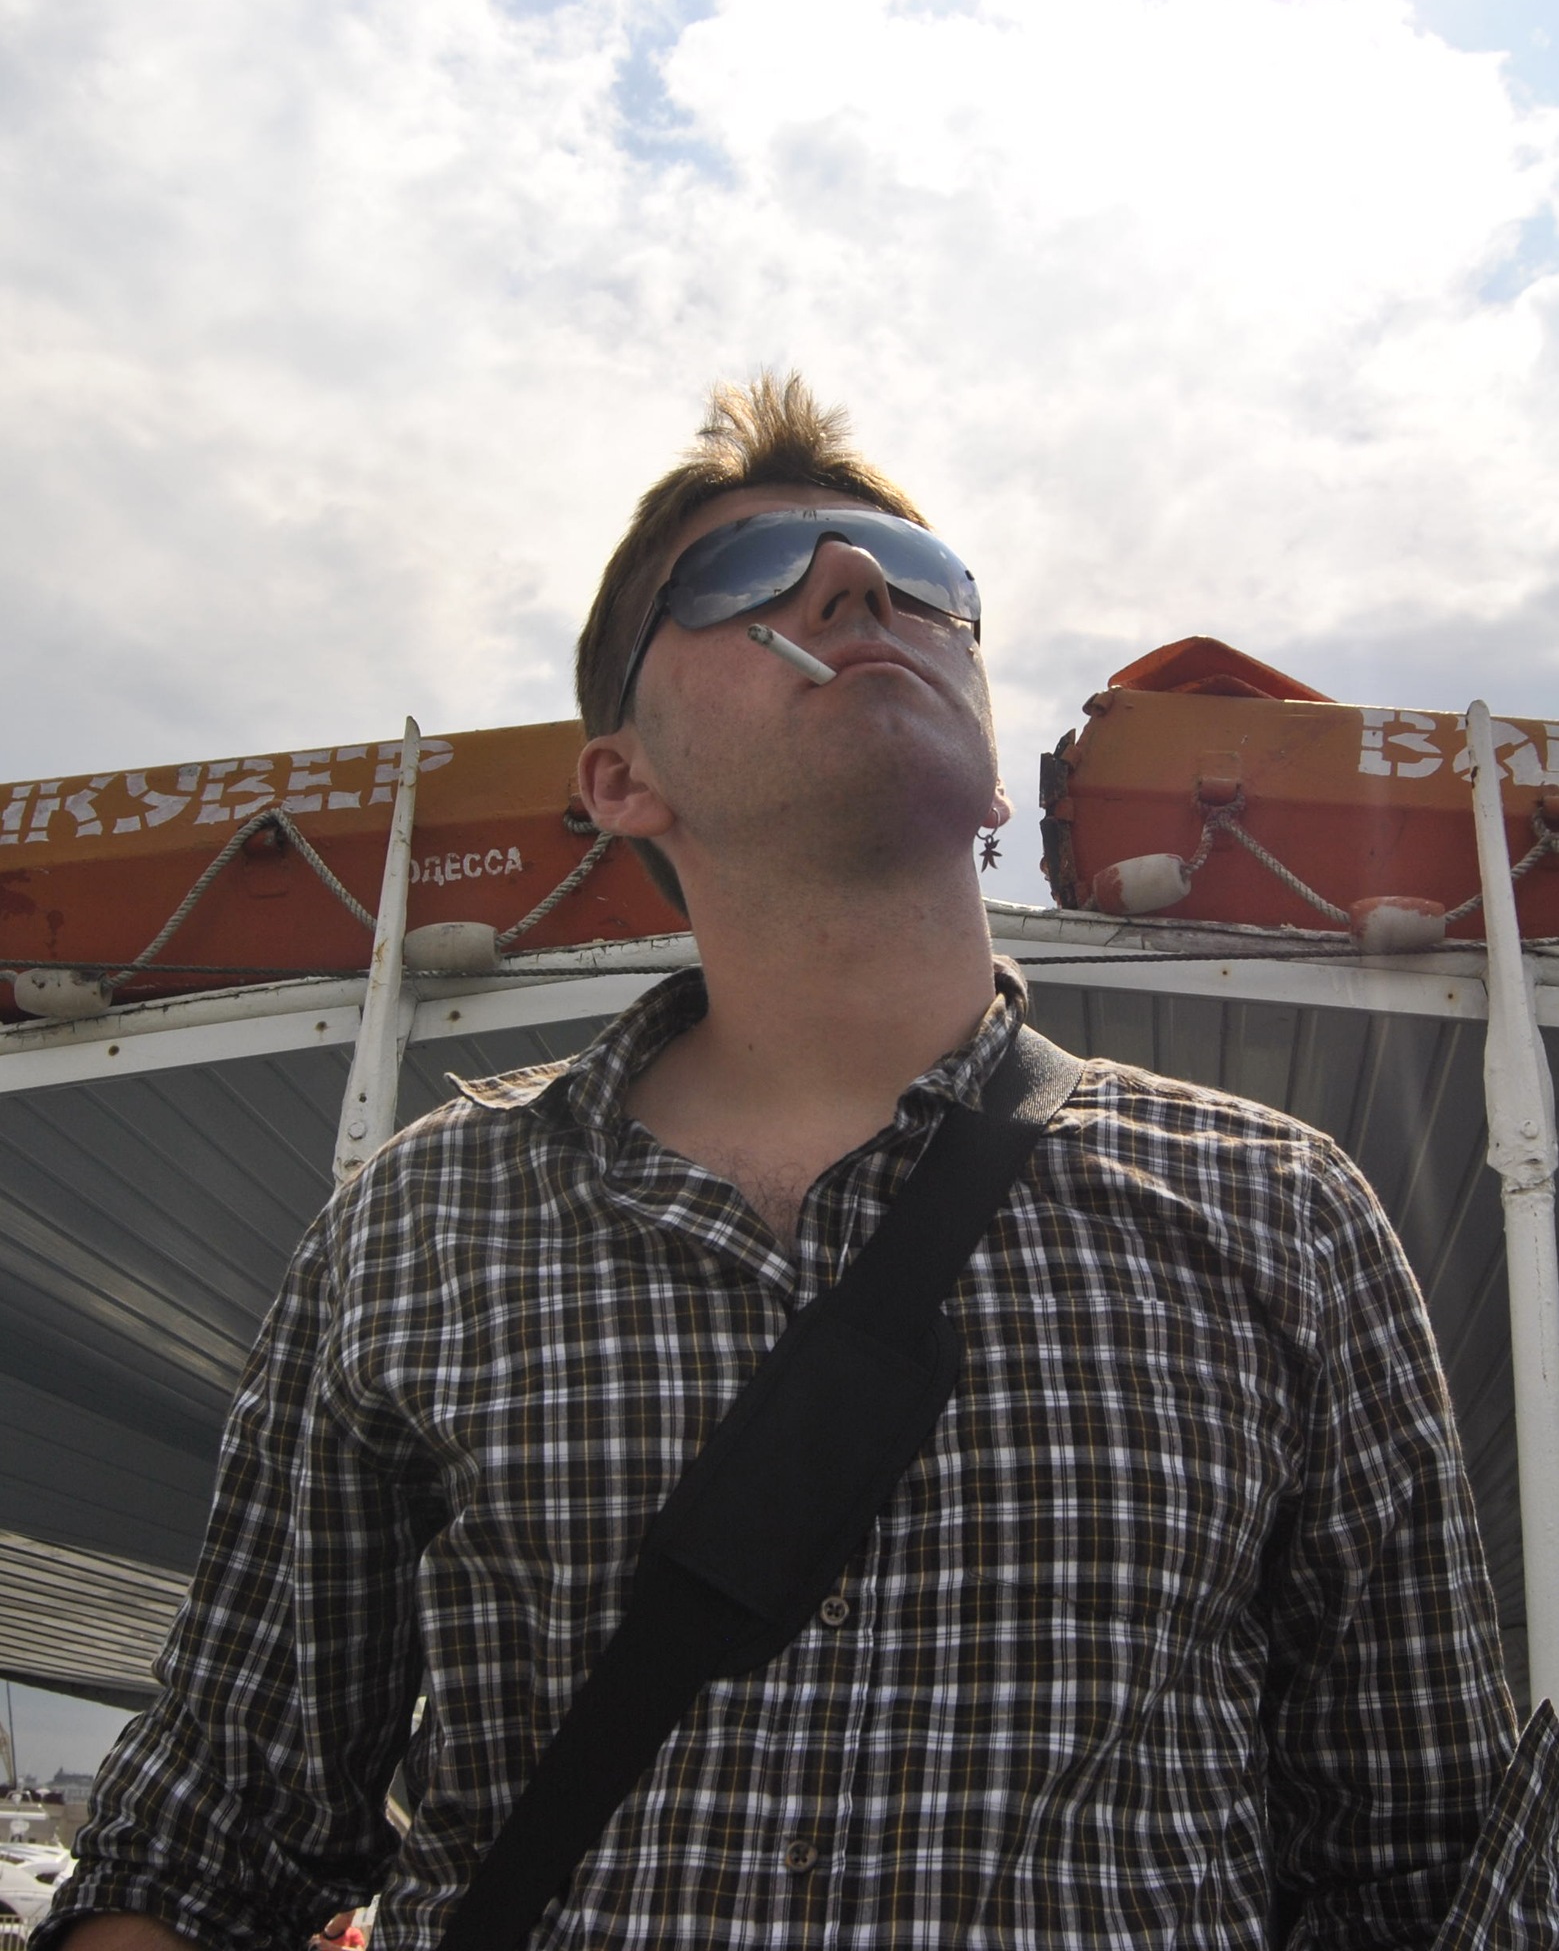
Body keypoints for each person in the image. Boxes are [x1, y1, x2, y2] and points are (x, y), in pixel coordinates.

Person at [39, 374, 1539, 1951]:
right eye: (750, 574)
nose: (860, 585)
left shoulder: (1283, 1214)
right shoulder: (419, 1223)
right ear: (622, 779)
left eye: (926, 581)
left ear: (991, 757)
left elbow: (1422, 1869)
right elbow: (206, 1847)